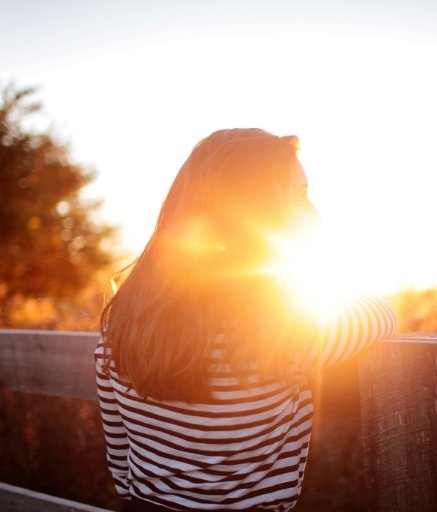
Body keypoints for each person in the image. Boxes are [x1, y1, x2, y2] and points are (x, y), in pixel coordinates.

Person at [95, 128, 397, 512]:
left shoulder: (121, 320)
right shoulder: (280, 326)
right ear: (255, 211)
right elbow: (383, 315)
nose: (317, 215)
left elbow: (119, 458)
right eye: (301, 196)